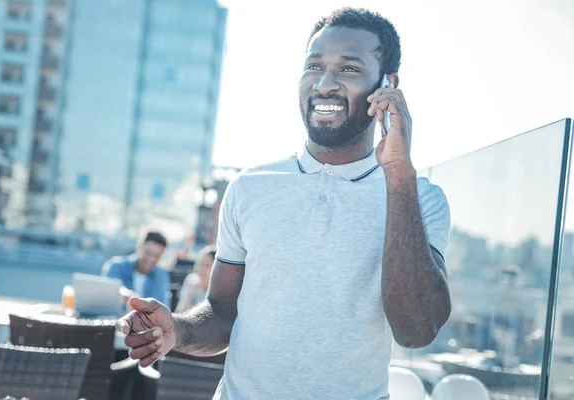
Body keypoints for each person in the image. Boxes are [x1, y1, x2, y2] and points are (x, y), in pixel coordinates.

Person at [118, 8, 452, 400]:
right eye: (314, 66)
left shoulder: (418, 197)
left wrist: (398, 173)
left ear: (387, 85)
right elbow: (223, 312)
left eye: (348, 69)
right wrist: (177, 329)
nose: (324, 84)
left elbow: (416, 330)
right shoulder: (250, 187)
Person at [102, 229, 170, 307]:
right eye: (147, 253)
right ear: (139, 246)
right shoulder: (115, 266)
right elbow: (110, 292)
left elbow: (162, 306)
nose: (151, 259)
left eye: (157, 256)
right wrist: (124, 294)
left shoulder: (161, 274)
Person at [174, 245, 217, 313]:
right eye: (199, 264)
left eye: (206, 265)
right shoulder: (190, 280)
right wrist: (190, 294)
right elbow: (178, 313)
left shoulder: (219, 290)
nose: (201, 269)